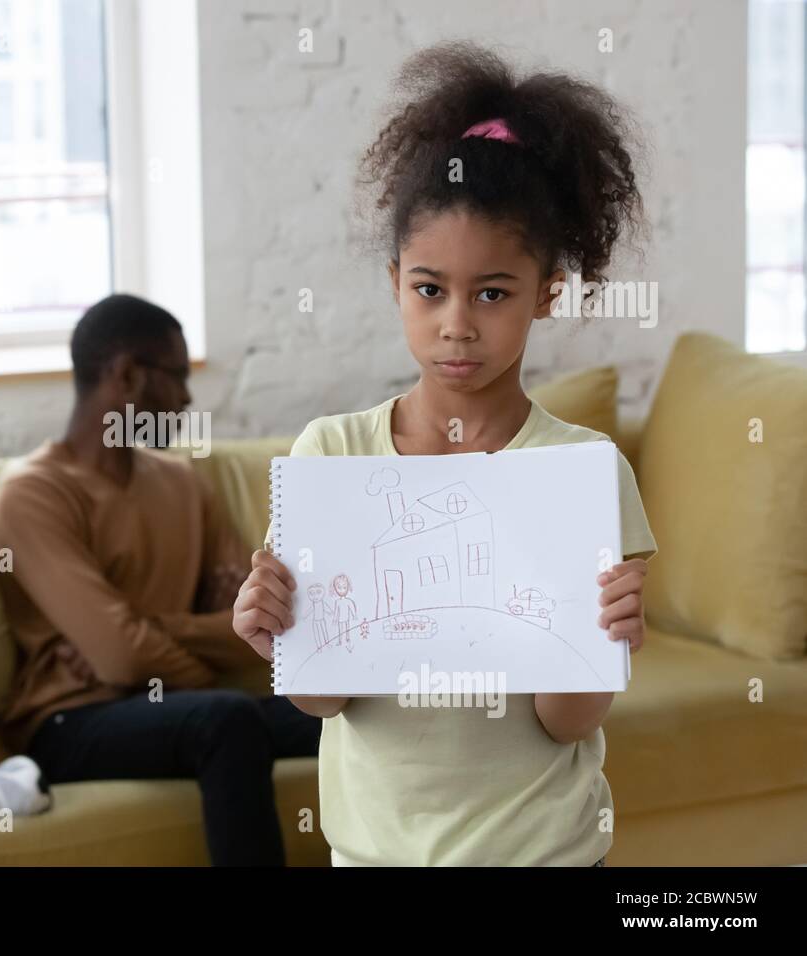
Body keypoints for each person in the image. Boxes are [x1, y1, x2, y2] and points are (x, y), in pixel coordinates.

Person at [233, 43, 657, 866]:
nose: (457, 323)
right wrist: (278, 637)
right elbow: (327, 698)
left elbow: (566, 721)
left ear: (547, 294)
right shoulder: (333, 455)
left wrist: (603, 639)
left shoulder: (583, 471)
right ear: (397, 283)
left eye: (492, 293)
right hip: (374, 852)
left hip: (541, 852)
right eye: (431, 289)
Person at [0, 293, 321, 866]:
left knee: (352, 706)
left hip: (188, 703)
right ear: (124, 376)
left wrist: (151, 631)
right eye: (175, 374)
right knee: (226, 718)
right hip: (71, 719)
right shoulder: (33, 492)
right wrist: (196, 656)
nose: (188, 396)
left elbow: (251, 632)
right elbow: (121, 662)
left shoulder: (182, 483)